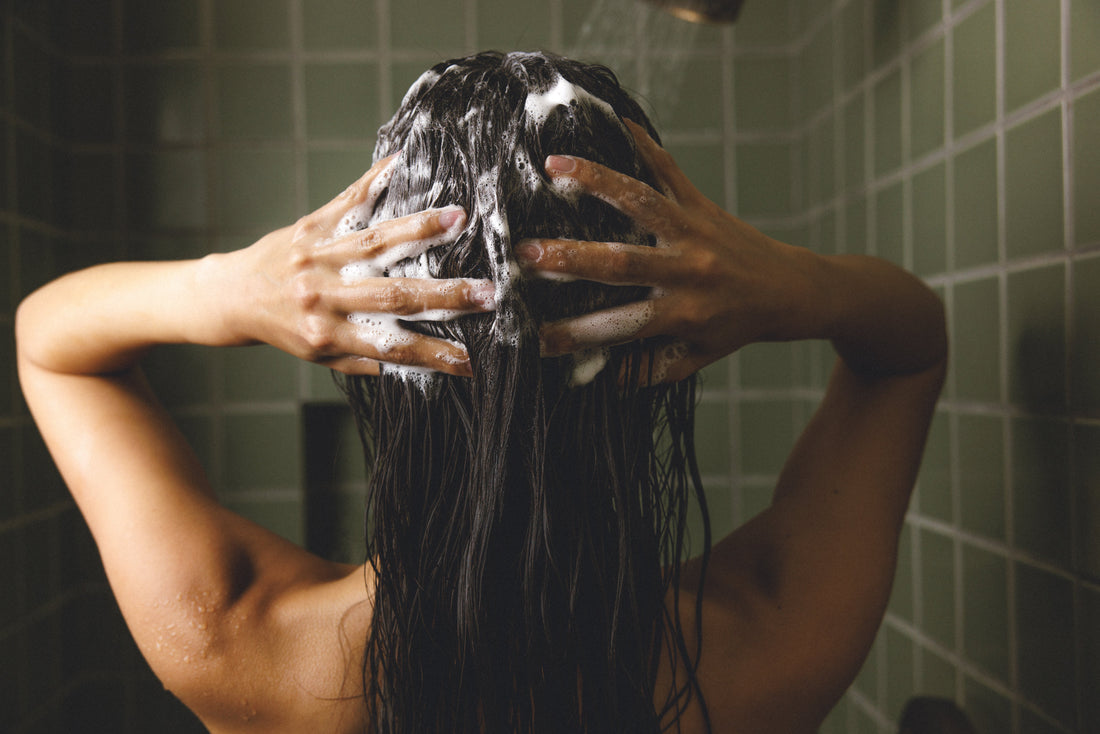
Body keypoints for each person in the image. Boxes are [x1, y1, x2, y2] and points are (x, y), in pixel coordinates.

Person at [16, 51, 946, 733]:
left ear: (366, 338)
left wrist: (230, 287)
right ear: (659, 344)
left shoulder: (242, 650)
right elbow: (908, 348)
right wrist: (791, 283)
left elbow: (48, 344)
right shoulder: (763, 651)